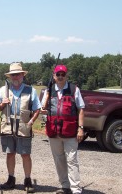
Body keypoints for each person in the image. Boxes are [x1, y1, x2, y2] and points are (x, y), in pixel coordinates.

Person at [0, 62, 41, 193]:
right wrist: (2, 104)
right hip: (8, 127)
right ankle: (11, 179)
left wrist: (31, 121)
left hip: (23, 128)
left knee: (25, 154)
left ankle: (27, 180)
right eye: (13, 75)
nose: (15, 77)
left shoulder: (30, 90)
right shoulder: (3, 90)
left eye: (18, 74)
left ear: (22, 75)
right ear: (10, 77)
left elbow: (37, 108)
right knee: (10, 154)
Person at [41, 65, 85, 194]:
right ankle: (65, 186)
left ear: (66, 76)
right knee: (59, 160)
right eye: (58, 74)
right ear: (54, 76)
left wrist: (81, 128)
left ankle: (76, 189)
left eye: (63, 74)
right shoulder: (49, 90)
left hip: (70, 131)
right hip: (54, 132)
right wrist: (44, 106)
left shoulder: (73, 89)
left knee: (72, 160)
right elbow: (43, 109)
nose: (60, 77)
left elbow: (81, 109)